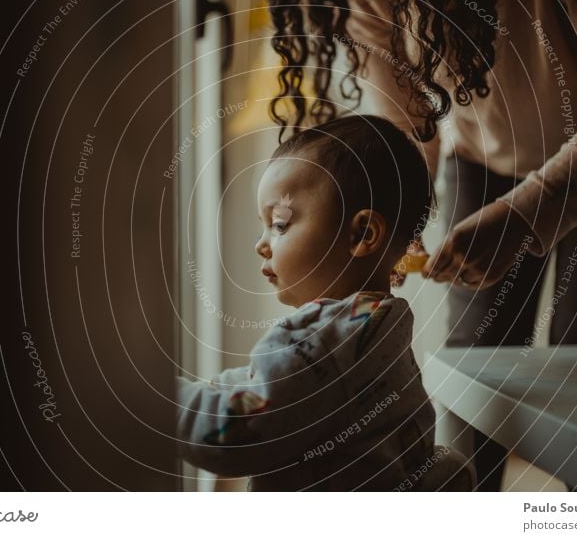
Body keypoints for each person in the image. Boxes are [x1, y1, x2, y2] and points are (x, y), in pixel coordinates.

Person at [261, 0, 577, 490]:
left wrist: (528, 212)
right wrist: (396, 212)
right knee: (472, 364)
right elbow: (407, 121)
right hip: (483, 159)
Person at [177, 115, 437, 491]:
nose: (261, 244)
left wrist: (160, 396)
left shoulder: (322, 341)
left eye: (280, 224)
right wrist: (215, 387)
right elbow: (279, 385)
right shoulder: (379, 324)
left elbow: (231, 436)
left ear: (362, 234)